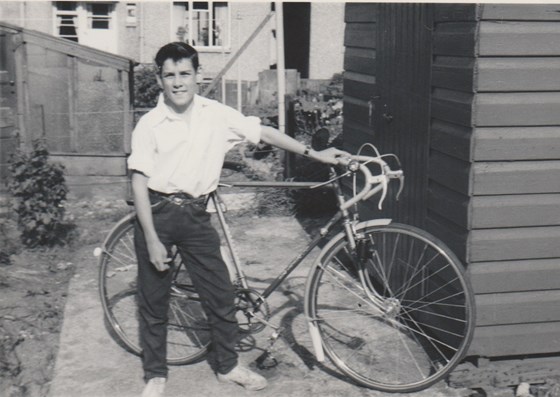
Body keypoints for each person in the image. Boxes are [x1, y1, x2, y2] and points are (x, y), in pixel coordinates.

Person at [127, 42, 346, 397]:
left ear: (198, 75)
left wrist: (316, 153)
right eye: (170, 75)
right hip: (158, 212)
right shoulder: (149, 124)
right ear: (160, 78)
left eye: (185, 74)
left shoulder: (216, 114)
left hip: (197, 215)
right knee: (154, 300)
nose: (178, 83)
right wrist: (151, 237)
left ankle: (228, 366)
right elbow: (138, 182)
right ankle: (155, 374)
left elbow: (264, 133)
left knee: (220, 294)